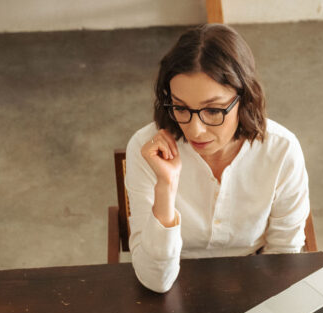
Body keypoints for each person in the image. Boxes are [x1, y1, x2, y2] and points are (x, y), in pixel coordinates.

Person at [127, 24, 311, 293]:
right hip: (173, 286)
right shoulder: (146, 149)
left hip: (257, 285)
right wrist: (165, 187)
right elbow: (156, 280)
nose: (195, 130)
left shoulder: (282, 151)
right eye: (180, 107)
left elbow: (283, 258)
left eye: (213, 110)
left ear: (245, 98)